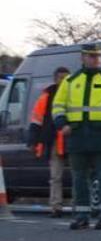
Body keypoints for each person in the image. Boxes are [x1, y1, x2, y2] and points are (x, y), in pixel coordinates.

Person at [52, 44, 101, 230]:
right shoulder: (70, 81)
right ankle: (81, 215)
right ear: (83, 58)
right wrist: (62, 123)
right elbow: (57, 106)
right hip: (77, 135)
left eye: (98, 56)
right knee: (79, 177)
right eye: (92, 56)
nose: (96, 59)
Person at [27, 66, 70, 217]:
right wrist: (32, 140)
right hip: (55, 142)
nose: (63, 81)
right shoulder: (47, 96)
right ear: (55, 79)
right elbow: (37, 119)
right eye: (61, 78)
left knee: (79, 175)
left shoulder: (74, 94)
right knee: (56, 177)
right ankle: (56, 207)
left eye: (66, 78)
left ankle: (80, 207)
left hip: (72, 142)